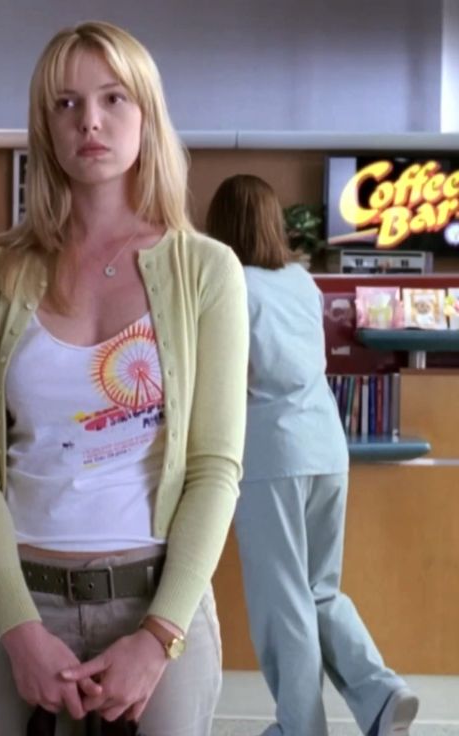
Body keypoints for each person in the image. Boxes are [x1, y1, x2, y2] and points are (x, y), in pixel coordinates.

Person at [0, 20, 249, 735]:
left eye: (114, 98)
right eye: (67, 103)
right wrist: (17, 628)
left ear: (147, 111)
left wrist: (157, 639)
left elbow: (214, 466)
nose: (91, 121)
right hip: (20, 602)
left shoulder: (205, 271)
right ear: (44, 125)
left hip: (156, 605)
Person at [205, 174, 419, 736]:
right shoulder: (300, 282)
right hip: (326, 445)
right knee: (320, 589)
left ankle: (300, 729)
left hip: (272, 453)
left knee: (283, 601)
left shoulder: (231, 284)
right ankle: (381, 692)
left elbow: (230, 377)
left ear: (221, 224)